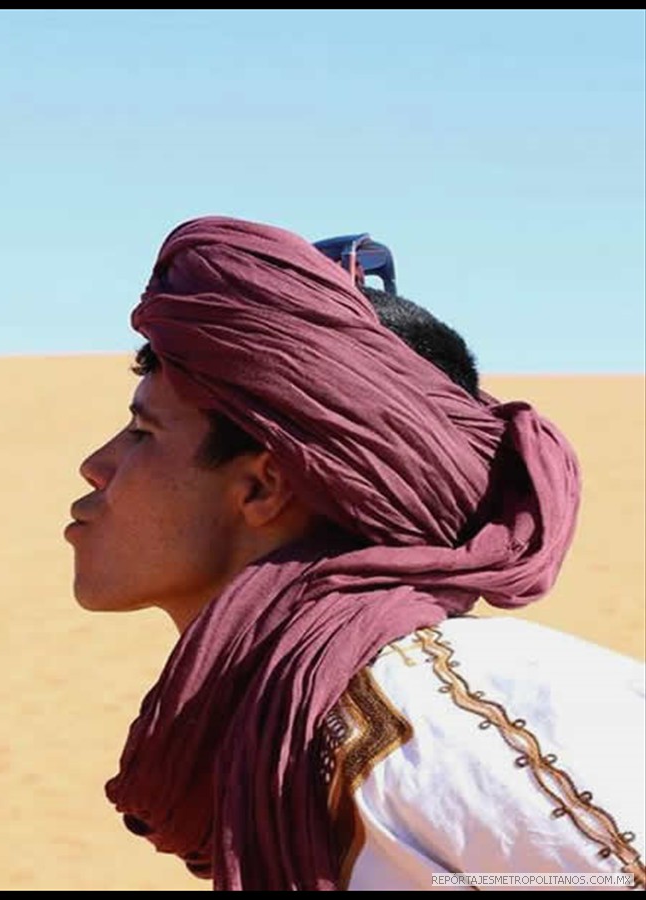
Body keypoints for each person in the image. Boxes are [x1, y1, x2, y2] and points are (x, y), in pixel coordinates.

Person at [64, 216, 645, 890]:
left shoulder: (437, 710)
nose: (95, 465)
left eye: (141, 432)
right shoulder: (283, 722)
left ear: (262, 485)